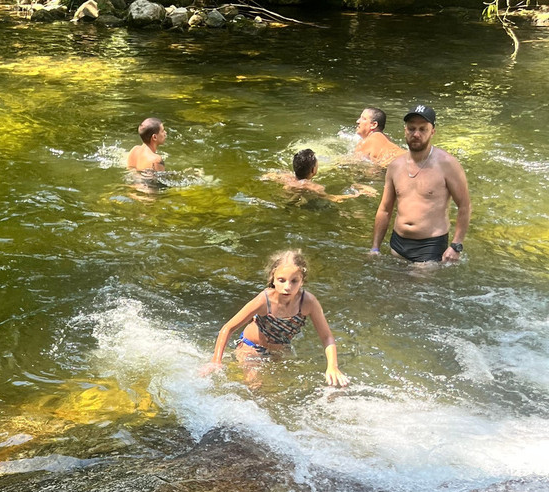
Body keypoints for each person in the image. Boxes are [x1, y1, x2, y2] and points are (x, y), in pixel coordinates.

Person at [201, 249, 350, 388]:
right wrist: (215, 361)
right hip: (251, 348)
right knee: (256, 387)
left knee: (285, 388)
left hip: (280, 351)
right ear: (273, 279)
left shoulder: (308, 302)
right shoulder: (264, 300)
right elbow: (228, 328)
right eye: (281, 280)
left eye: (294, 281)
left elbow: (326, 337)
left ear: (302, 281)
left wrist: (333, 366)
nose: (287, 287)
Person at [371, 104, 471, 264]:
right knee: (393, 286)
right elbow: (384, 209)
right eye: (411, 128)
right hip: (398, 243)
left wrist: (456, 245)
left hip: (430, 245)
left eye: (422, 129)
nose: (416, 134)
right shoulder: (395, 166)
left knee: (419, 287)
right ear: (405, 130)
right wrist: (375, 248)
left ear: (432, 131)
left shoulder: (448, 164)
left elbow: (464, 206)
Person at [263, 149, 376, 203]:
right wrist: (359, 194)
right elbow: (334, 198)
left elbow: (268, 175)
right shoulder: (314, 187)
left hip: (284, 199)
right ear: (313, 170)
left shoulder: (285, 177)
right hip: (296, 203)